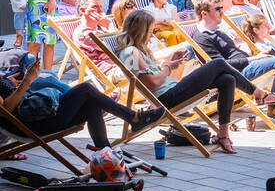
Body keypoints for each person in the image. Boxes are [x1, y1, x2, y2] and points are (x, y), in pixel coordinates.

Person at [117, 8, 275, 155]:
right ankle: (258, 94)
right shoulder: (130, 52)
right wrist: (167, 66)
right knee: (217, 64)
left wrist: (172, 63)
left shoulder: (138, 51)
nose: (151, 34)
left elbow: (159, 80)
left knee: (227, 79)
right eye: (150, 30)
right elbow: (151, 84)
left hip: (172, 92)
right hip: (166, 100)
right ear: (141, 30)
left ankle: (223, 135)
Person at [0, 55, 164, 147]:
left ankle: (105, 152)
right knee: (85, 89)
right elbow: (5, 110)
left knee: (90, 102)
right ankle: (133, 118)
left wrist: (11, 82)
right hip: (31, 125)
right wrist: (28, 80)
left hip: (36, 114)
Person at [192, 0, 275, 126]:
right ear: (204, 14)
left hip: (246, 65)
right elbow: (218, 65)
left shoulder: (217, 31)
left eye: (221, 8)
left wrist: (257, 56)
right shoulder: (202, 37)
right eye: (217, 9)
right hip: (236, 74)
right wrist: (252, 58)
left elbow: (233, 53)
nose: (222, 11)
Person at [74, 0, 120, 78]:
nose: (100, 11)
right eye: (95, 7)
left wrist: (110, 53)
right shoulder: (84, 33)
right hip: (111, 71)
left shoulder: (100, 30)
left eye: (101, 7)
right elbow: (116, 46)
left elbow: (117, 47)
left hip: (119, 66)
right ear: (83, 10)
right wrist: (109, 25)